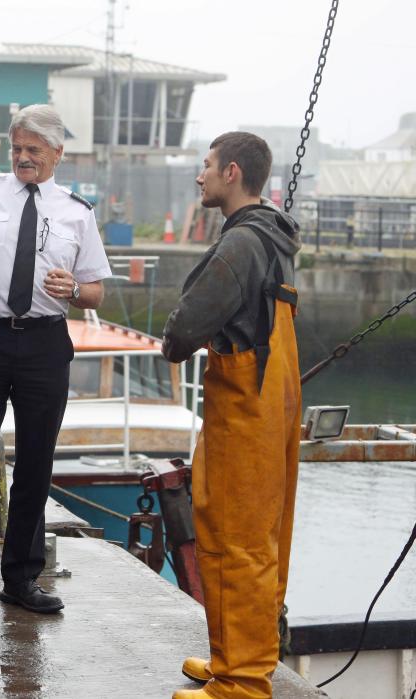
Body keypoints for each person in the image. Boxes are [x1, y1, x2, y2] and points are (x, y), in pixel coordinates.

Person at [0, 104, 111, 616]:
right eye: (17, 149)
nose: (23, 158)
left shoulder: (78, 211)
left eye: (34, 150)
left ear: (58, 153)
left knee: (36, 464)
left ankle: (22, 579)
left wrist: (75, 289)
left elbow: (97, 291)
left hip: (43, 344)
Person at [162, 132, 301, 699]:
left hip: (248, 408)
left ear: (233, 173)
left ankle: (240, 683)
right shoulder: (276, 235)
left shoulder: (242, 244)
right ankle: (239, 660)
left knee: (234, 539)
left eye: (207, 166)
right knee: (255, 536)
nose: (200, 176)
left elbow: (185, 328)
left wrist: (173, 339)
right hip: (273, 400)